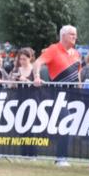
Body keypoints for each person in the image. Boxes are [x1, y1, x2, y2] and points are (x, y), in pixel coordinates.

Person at [33, 25, 81, 166]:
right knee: (67, 121)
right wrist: (36, 76)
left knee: (71, 124)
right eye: (72, 34)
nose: (75, 37)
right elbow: (38, 62)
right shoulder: (53, 49)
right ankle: (61, 158)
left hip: (74, 95)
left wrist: (80, 88)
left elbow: (78, 72)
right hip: (58, 94)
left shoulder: (76, 53)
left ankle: (62, 156)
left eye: (75, 34)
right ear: (64, 35)